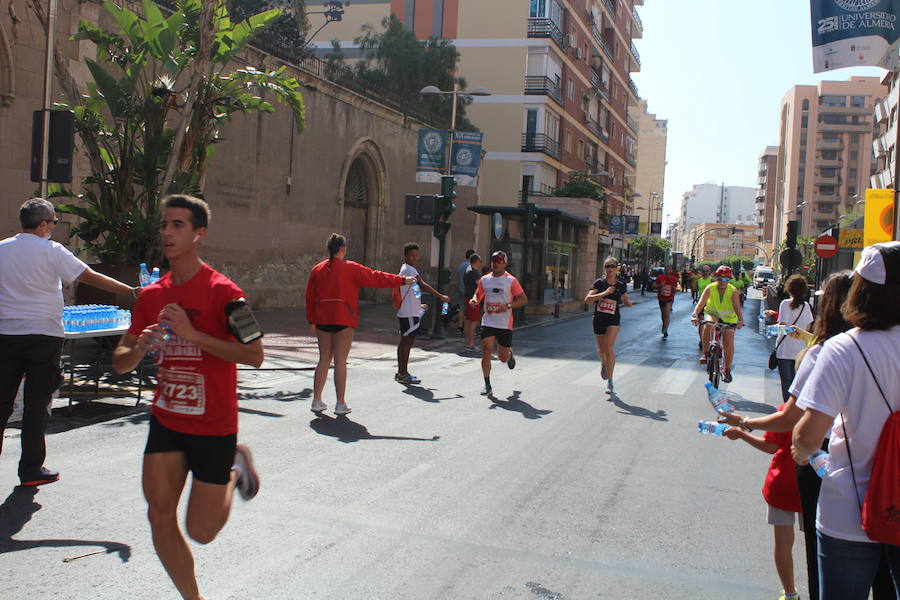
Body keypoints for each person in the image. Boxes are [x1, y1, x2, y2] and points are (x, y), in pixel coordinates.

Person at [112, 194, 264, 600]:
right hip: (167, 420)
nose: (166, 231)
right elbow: (120, 362)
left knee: (202, 532)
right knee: (159, 516)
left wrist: (194, 335)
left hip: (214, 427)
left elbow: (256, 355)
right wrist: (140, 346)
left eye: (177, 225)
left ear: (199, 234)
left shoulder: (225, 293)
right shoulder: (151, 297)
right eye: (164, 224)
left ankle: (236, 469)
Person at [718, 270, 898, 600]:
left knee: (829, 578)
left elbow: (799, 428)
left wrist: (758, 429)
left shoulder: (836, 350)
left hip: (845, 492)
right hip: (894, 494)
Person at [0, 198, 138, 487]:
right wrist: (130, 291)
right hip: (44, 335)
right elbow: (90, 277)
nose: (53, 227)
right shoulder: (52, 251)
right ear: (42, 224)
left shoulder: (2, 249)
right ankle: (30, 470)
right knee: (37, 404)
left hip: (6, 336)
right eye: (53, 222)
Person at [793, 242, 900, 600]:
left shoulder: (843, 348)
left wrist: (801, 450)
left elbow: (808, 436)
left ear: (862, 291)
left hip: (848, 512)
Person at [306, 234, 411, 415]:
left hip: (322, 319)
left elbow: (310, 297)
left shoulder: (317, 269)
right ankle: (340, 403)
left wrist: (311, 320)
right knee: (340, 361)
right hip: (344, 318)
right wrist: (401, 280)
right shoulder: (350, 268)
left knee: (323, 360)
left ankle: (317, 400)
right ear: (342, 249)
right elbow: (375, 277)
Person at [723, 401, 803, 600]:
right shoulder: (830, 407)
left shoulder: (787, 410)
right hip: (814, 483)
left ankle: (791, 594)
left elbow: (770, 447)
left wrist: (741, 434)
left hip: (782, 482)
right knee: (817, 544)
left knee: (783, 544)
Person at [469, 251, 527, 397]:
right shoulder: (485, 280)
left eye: (499, 261)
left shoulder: (511, 281)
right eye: (494, 260)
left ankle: (509, 353)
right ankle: (487, 384)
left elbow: (523, 300)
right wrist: (475, 300)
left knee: (502, 358)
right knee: (487, 350)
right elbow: (478, 293)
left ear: (505, 264)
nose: (496, 263)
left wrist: (507, 306)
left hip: (504, 324)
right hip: (488, 321)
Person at [395, 242, 449, 384]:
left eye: (416, 255)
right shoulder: (410, 270)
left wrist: (419, 305)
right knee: (407, 341)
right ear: (405, 256)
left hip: (409, 311)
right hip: (409, 313)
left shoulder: (405, 269)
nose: (415, 258)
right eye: (412, 255)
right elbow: (423, 286)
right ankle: (402, 373)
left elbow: (414, 291)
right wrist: (441, 296)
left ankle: (401, 372)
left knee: (406, 340)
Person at [585, 257, 633, 395]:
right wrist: (604, 294)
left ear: (617, 268)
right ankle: (603, 362)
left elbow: (625, 299)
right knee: (601, 350)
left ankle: (610, 382)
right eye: (607, 266)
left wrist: (628, 302)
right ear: (604, 268)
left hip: (613, 319)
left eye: (612, 266)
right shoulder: (599, 283)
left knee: (609, 347)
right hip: (599, 319)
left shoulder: (621, 284)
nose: (610, 269)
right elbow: (587, 299)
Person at [692, 265, 744, 383]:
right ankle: (705, 353)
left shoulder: (733, 291)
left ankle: (727, 370)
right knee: (708, 325)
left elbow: (737, 307)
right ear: (716, 278)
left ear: (729, 280)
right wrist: (695, 314)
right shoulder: (710, 288)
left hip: (729, 318)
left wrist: (741, 320)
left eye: (725, 279)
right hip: (713, 314)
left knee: (728, 342)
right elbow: (701, 303)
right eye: (720, 279)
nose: (722, 282)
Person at [772, 274, 814, 403]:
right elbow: (806, 329)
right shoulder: (806, 306)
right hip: (800, 351)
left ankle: (786, 409)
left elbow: (783, 328)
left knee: (786, 384)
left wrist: (772, 328)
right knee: (796, 385)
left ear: (789, 288)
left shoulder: (785, 304)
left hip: (784, 350)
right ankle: (794, 410)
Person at [462, 253, 483, 351]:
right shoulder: (475, 273)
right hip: (474, 300)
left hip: (466, 297)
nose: (480, 263)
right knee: (473, 321)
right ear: (477, 261)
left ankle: (467, 342)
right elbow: (480, 286)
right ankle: (470, 343)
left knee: (467, 320)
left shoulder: (467, 273)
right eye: (480, 261)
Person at [652, 264, 678, 338]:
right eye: (666, 270)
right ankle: (664, 326)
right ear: (664, 270)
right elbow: (653, 285)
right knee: (663, 314)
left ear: (671, 270)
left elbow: (676, 288)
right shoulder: (660, 277)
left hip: (669, 298)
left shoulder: (674, 278)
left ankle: (665, 329)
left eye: (669, 270)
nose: (667, 271)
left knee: (667, 313)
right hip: (661, 298)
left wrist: (673, 288)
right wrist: (660, 285)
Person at [454, 249, 474, 334]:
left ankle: (459, 327)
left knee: (461, 309)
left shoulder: (460, 266)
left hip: (460, 290)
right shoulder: (470, 267)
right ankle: (467, 329)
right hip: (468, 291)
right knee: (468, 311)